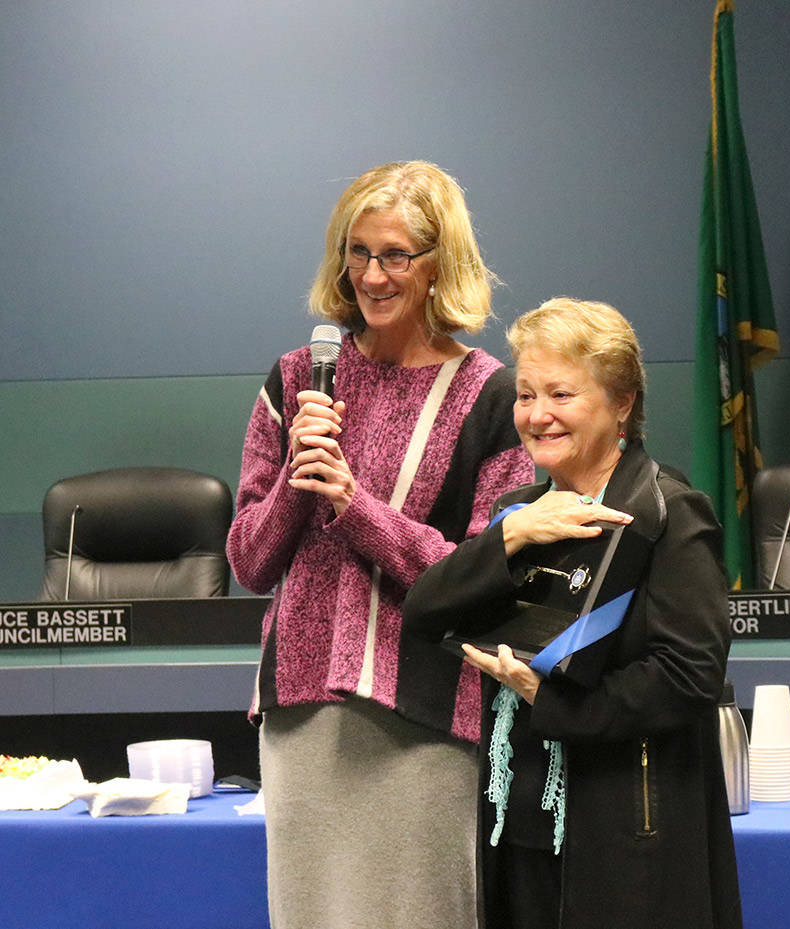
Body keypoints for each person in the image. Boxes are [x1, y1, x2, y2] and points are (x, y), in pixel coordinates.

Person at [225, 160, 533, 929]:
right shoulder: (296, 380)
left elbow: (486, 574)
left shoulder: (492, 396)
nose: (371, 275)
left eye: (395, 254)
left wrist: (354, 505)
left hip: (423, 714)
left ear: (438, 264)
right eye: (357, 253)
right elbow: (250, 562)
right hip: (301, 714)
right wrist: (300, 478)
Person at [402, 298, 743, 929]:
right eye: (526, 395)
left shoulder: (668, 512)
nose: (538, 415)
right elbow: (423, 613)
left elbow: (690, 676)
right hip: (518, 817)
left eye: (561, 394)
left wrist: (551, 700)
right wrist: (511, 535)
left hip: (625, 826)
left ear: (622, 404)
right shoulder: (520, 512)